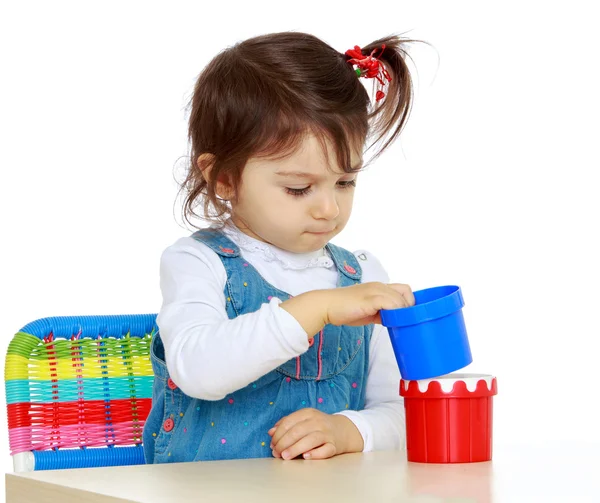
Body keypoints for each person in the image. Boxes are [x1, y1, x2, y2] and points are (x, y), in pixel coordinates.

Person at [143, 30, 419, 464]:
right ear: (224, 178)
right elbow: (197, 369)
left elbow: (406, 413)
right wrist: (318, 309)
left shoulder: (363, 277)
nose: (329, 208)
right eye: (298, 188)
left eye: (345, 182)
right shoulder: (198, 263)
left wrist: (350, 429)